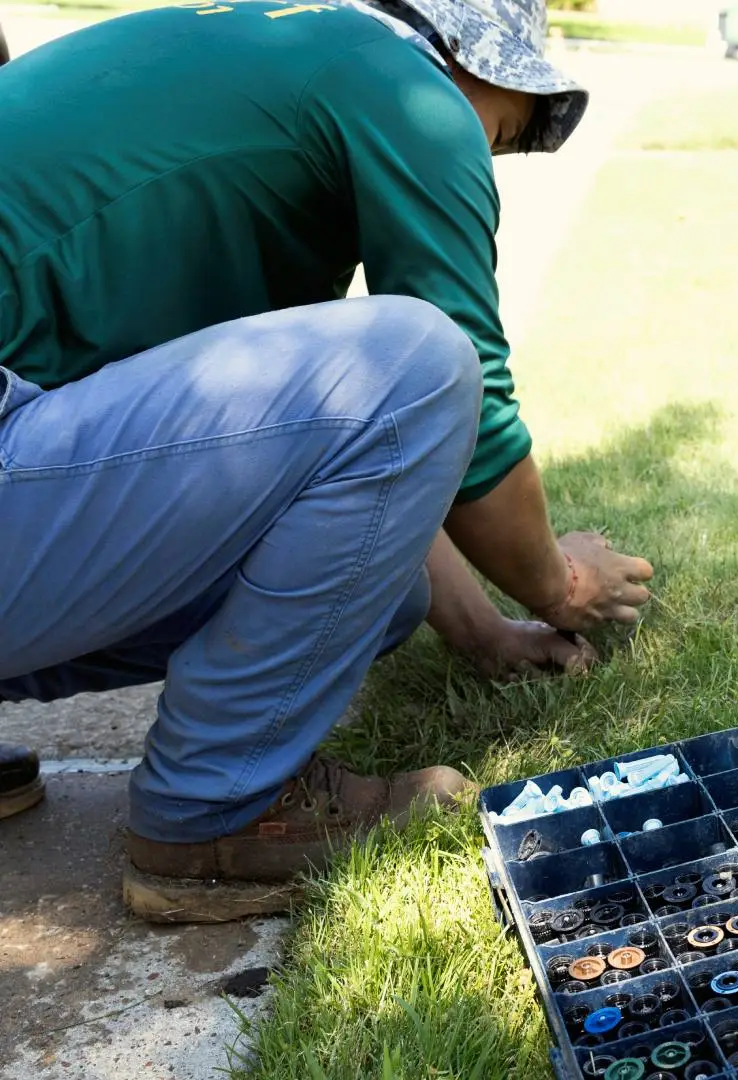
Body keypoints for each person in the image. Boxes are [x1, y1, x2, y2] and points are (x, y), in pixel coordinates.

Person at [0, 0, 653, 923]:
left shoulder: (251, 69)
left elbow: (353, 454)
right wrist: (560, 583)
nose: (485, 158)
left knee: (386, 590)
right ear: (469, 59)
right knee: (421, 356)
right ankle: (211, 816)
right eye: (502, 130)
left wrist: (483, 631)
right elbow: (451, 385)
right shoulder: (401, 82)